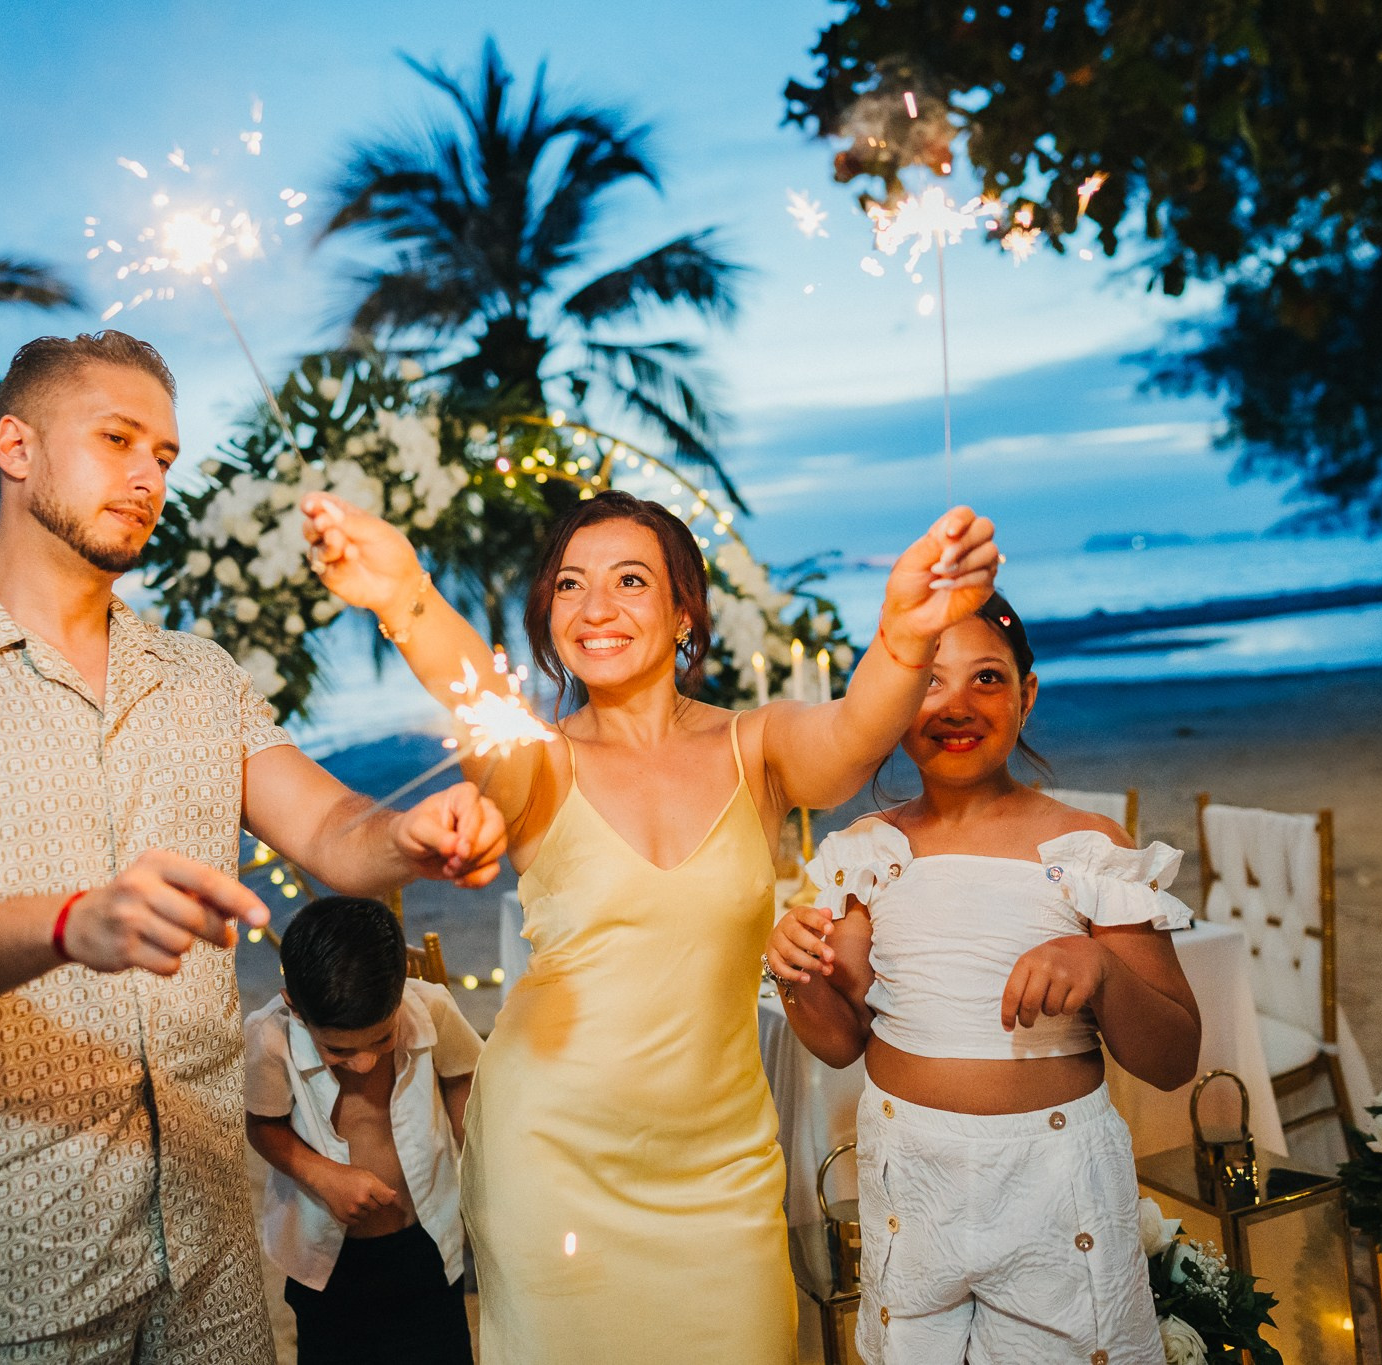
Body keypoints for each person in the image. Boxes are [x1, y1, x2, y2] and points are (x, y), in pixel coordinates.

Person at [0, 331, 507, 1365]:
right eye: (117, 438)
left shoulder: (198, 676)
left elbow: (334, 835)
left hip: (208, 1265)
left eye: (165, 455)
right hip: (2, 1274)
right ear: (15, 446)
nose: (147, 475)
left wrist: (409, 832)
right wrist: (71, 923)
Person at [297, 487, 1000, 1363]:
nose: (595, 609)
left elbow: (855, 738)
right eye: (569, 586)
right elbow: (472, 689)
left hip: (722, 1174)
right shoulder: (537, 764)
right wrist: (406, 594)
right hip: (552, 1161)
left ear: (682, 614)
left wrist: (904, 633)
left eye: (631, 580)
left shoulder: (761, 746)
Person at [765, 592, 1202, 1365]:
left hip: (1053, 1185)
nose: (955, 704)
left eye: (987, 679)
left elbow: (1173, 1058)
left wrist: (1099, 966)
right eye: (928, 682)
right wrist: (796, 972)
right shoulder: (869, 852)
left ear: (1027, 695)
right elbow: (841, 1042)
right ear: (894, 703)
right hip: (911, 1182)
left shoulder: (1088, 848)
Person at [243, 895, 482, 1365]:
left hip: (427, 1239)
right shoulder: (269, 1039)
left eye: (382, 1038)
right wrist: (324, 1176)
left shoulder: (429, 1007)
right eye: (337, 1049)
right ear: (296, 1008)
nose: (365, 1061)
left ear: (400, 993)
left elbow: (461, 1074)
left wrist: (470, 1143)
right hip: (331, 1261)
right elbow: (263, 1126)